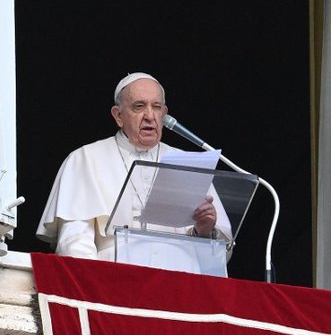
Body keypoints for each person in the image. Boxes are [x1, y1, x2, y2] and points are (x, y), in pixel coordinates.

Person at [36, 73, 231, 265]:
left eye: (156, 107)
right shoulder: (86, 158)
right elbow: (75, 241)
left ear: (164, 114)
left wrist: (204, 231)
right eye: (139, 106)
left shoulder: (188, 164)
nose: (149, 116)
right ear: (118, 115)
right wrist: (96, 283)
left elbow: (219, 256)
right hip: (114, 280)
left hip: (180, 283)